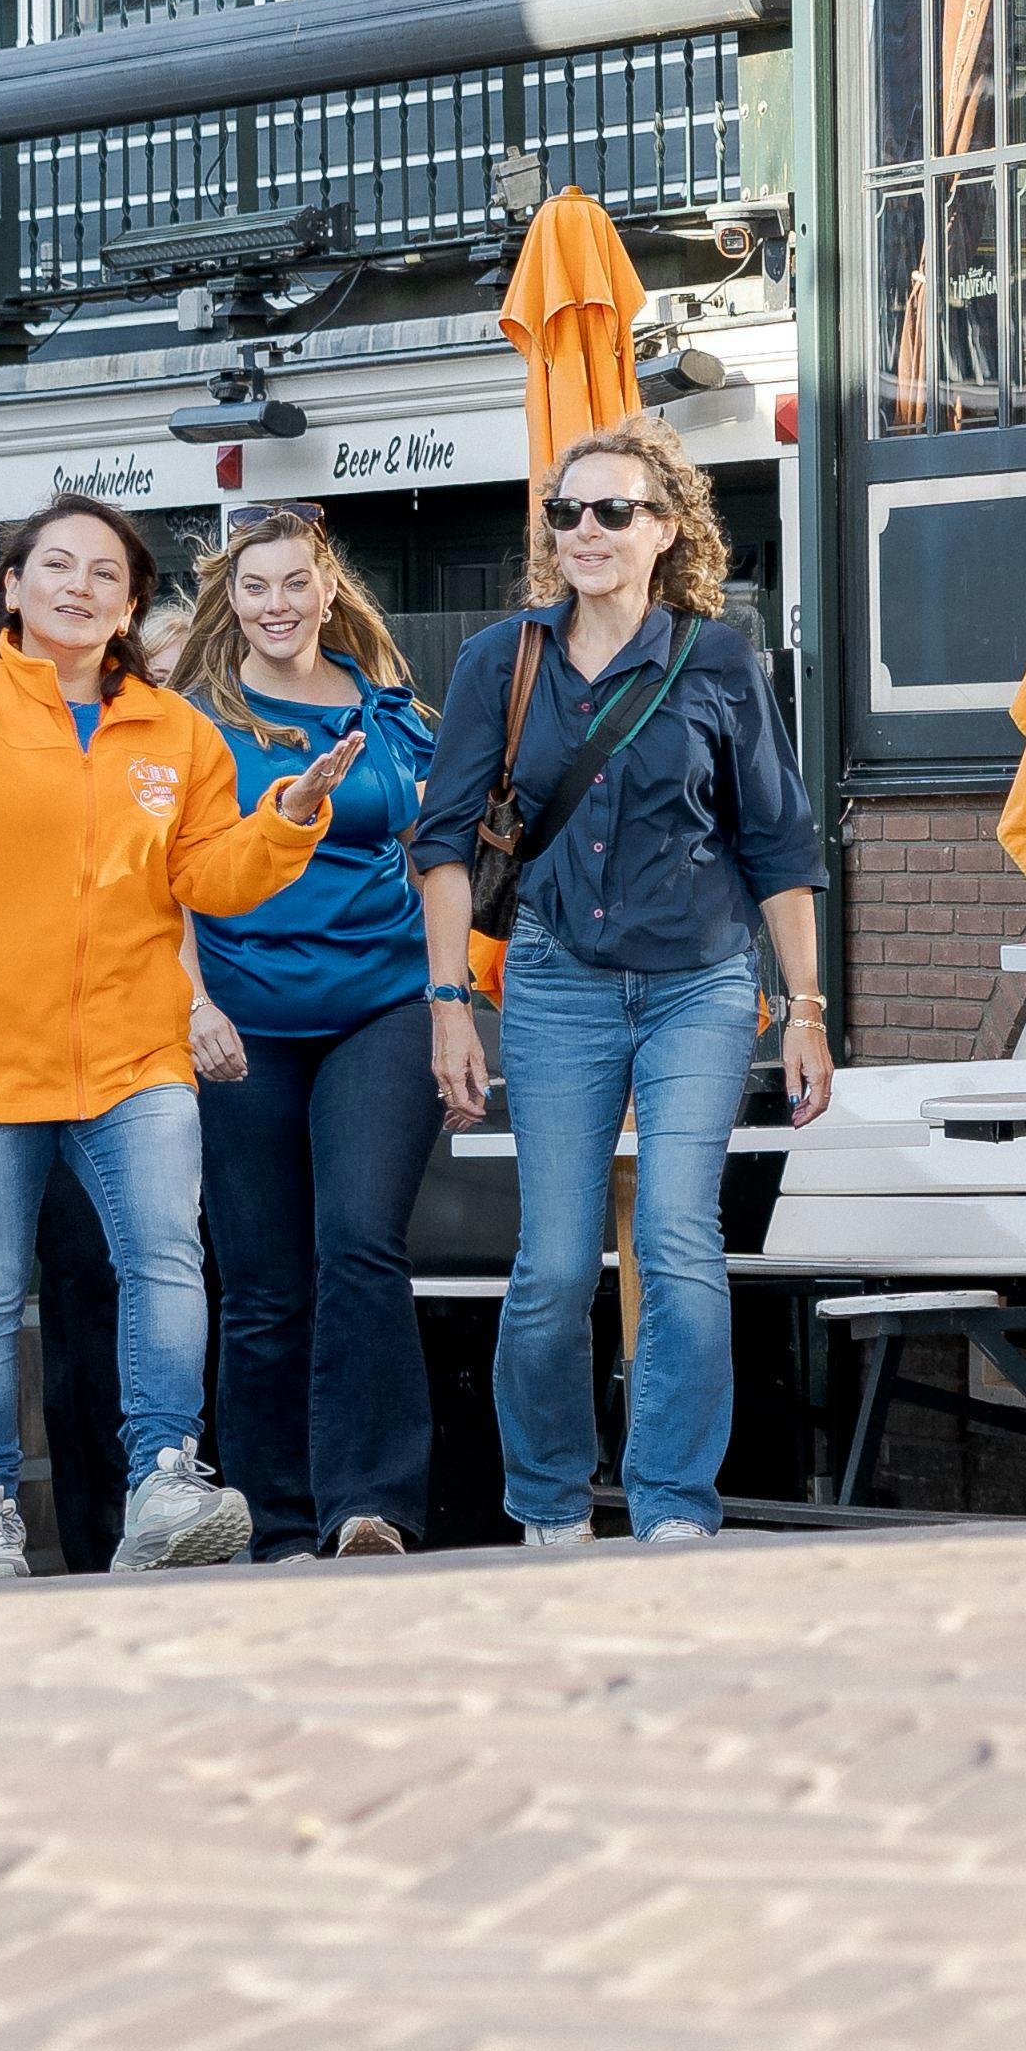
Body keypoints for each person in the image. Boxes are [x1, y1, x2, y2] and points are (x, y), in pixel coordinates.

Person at [0, 486, 351, 1576]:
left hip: (130, 1052)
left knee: (162, 1262)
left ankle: (162, 1480)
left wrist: (286, 823)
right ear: (12, 587)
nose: (80, 586)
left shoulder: (174, 730)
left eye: (106, 574)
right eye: (57, 566)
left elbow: (209, 878)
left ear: (132, 605)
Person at [407, 425, 827, 1552]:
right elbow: (443, 842)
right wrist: (449, 1000)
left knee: (681, 1238)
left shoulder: (720, 660)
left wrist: (806, 1010)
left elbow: (779, 846)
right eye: (565, 512)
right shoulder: (501, 660)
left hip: (698, 984)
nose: (583, 532)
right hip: (552, 985)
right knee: (550, 1263)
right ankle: (548, 1505)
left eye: (611, 512)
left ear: (665, 531)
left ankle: (673, 1507)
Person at [174, 504, 448, 1559]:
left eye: (295, 583)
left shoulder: (389, 713)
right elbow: (167, 891)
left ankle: (369, 1505)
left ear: (326, 589)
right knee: (261, 1279)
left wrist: (444, 997)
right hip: (240, 1019)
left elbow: (434, 864)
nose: (276, 604)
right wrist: (193, 1005)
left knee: (360, 1245)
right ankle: (275, 1521)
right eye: (255, 587)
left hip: (379, 1007)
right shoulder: (191, 718)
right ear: (229, 599)